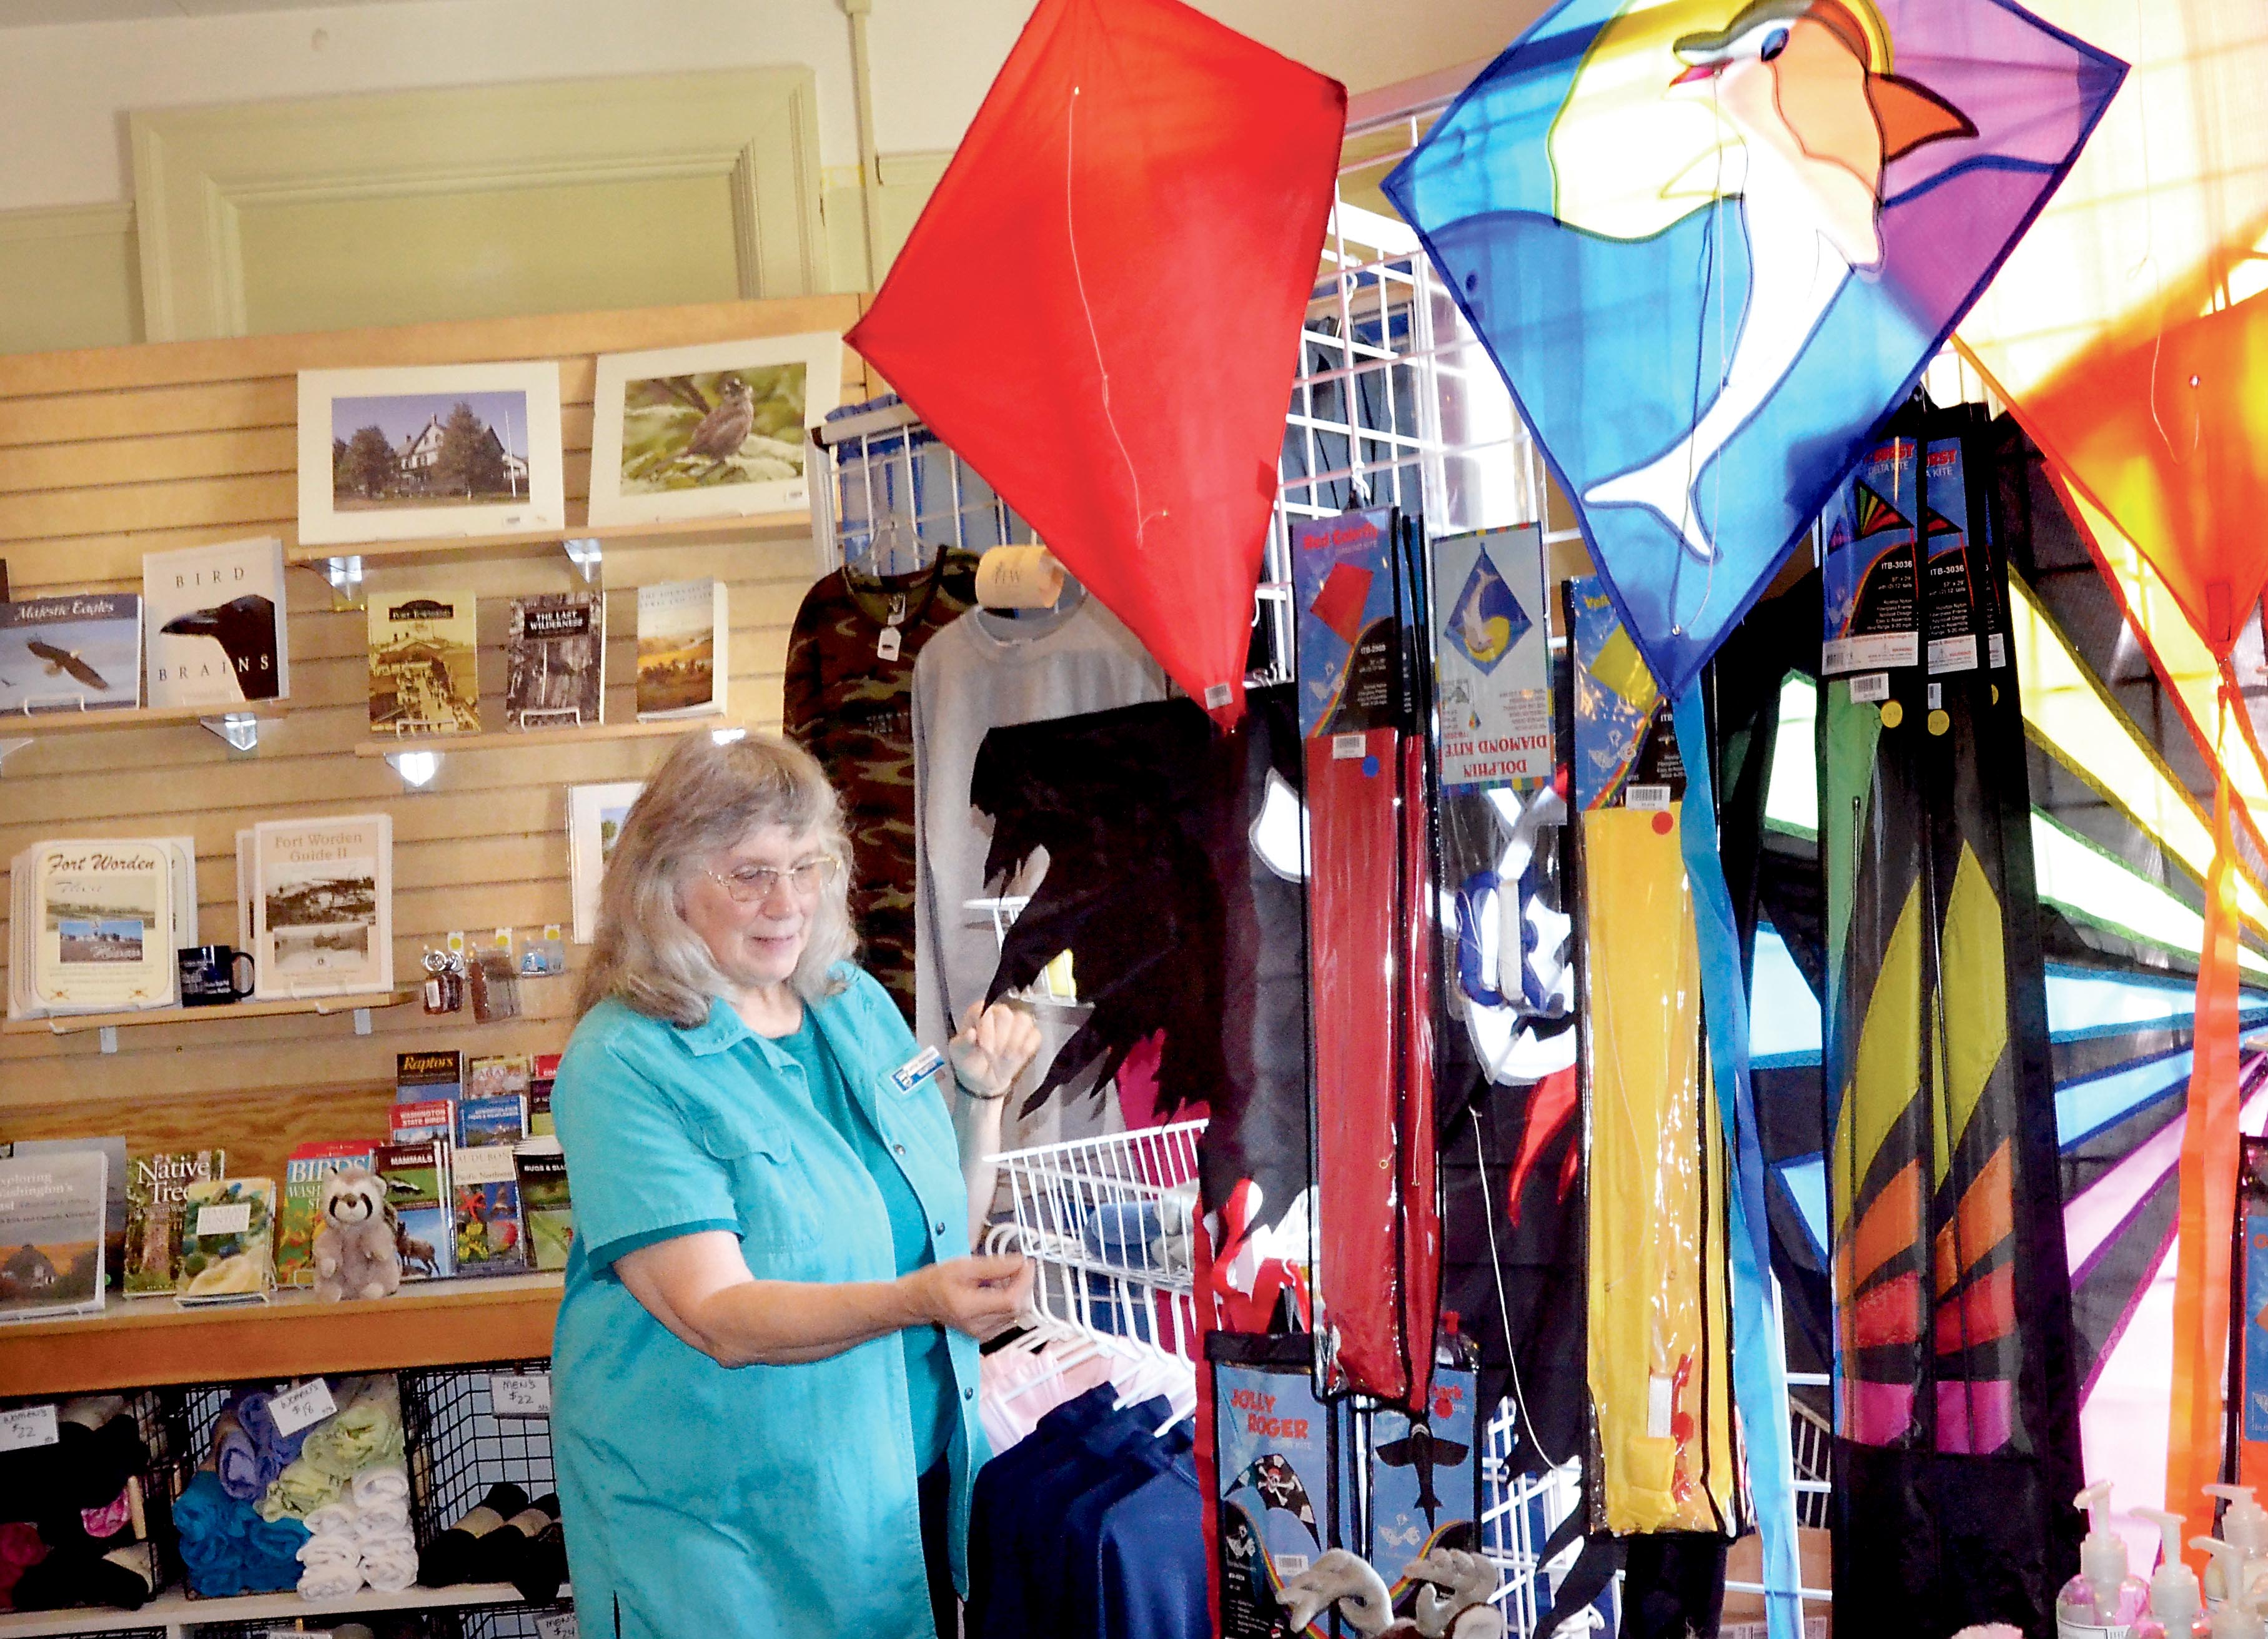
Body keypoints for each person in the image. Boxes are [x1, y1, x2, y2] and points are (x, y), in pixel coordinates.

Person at [549, 731, 1041, 1639]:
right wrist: (914, 1301)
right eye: (749, 874)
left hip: (895, 1507)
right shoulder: (620, 1062)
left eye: (806, 867)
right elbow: (719, 1318)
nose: (787, 903)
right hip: (723, 1545)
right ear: (666, 888)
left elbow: (939, 1234)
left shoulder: (850, 1002)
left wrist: (979, 1100)